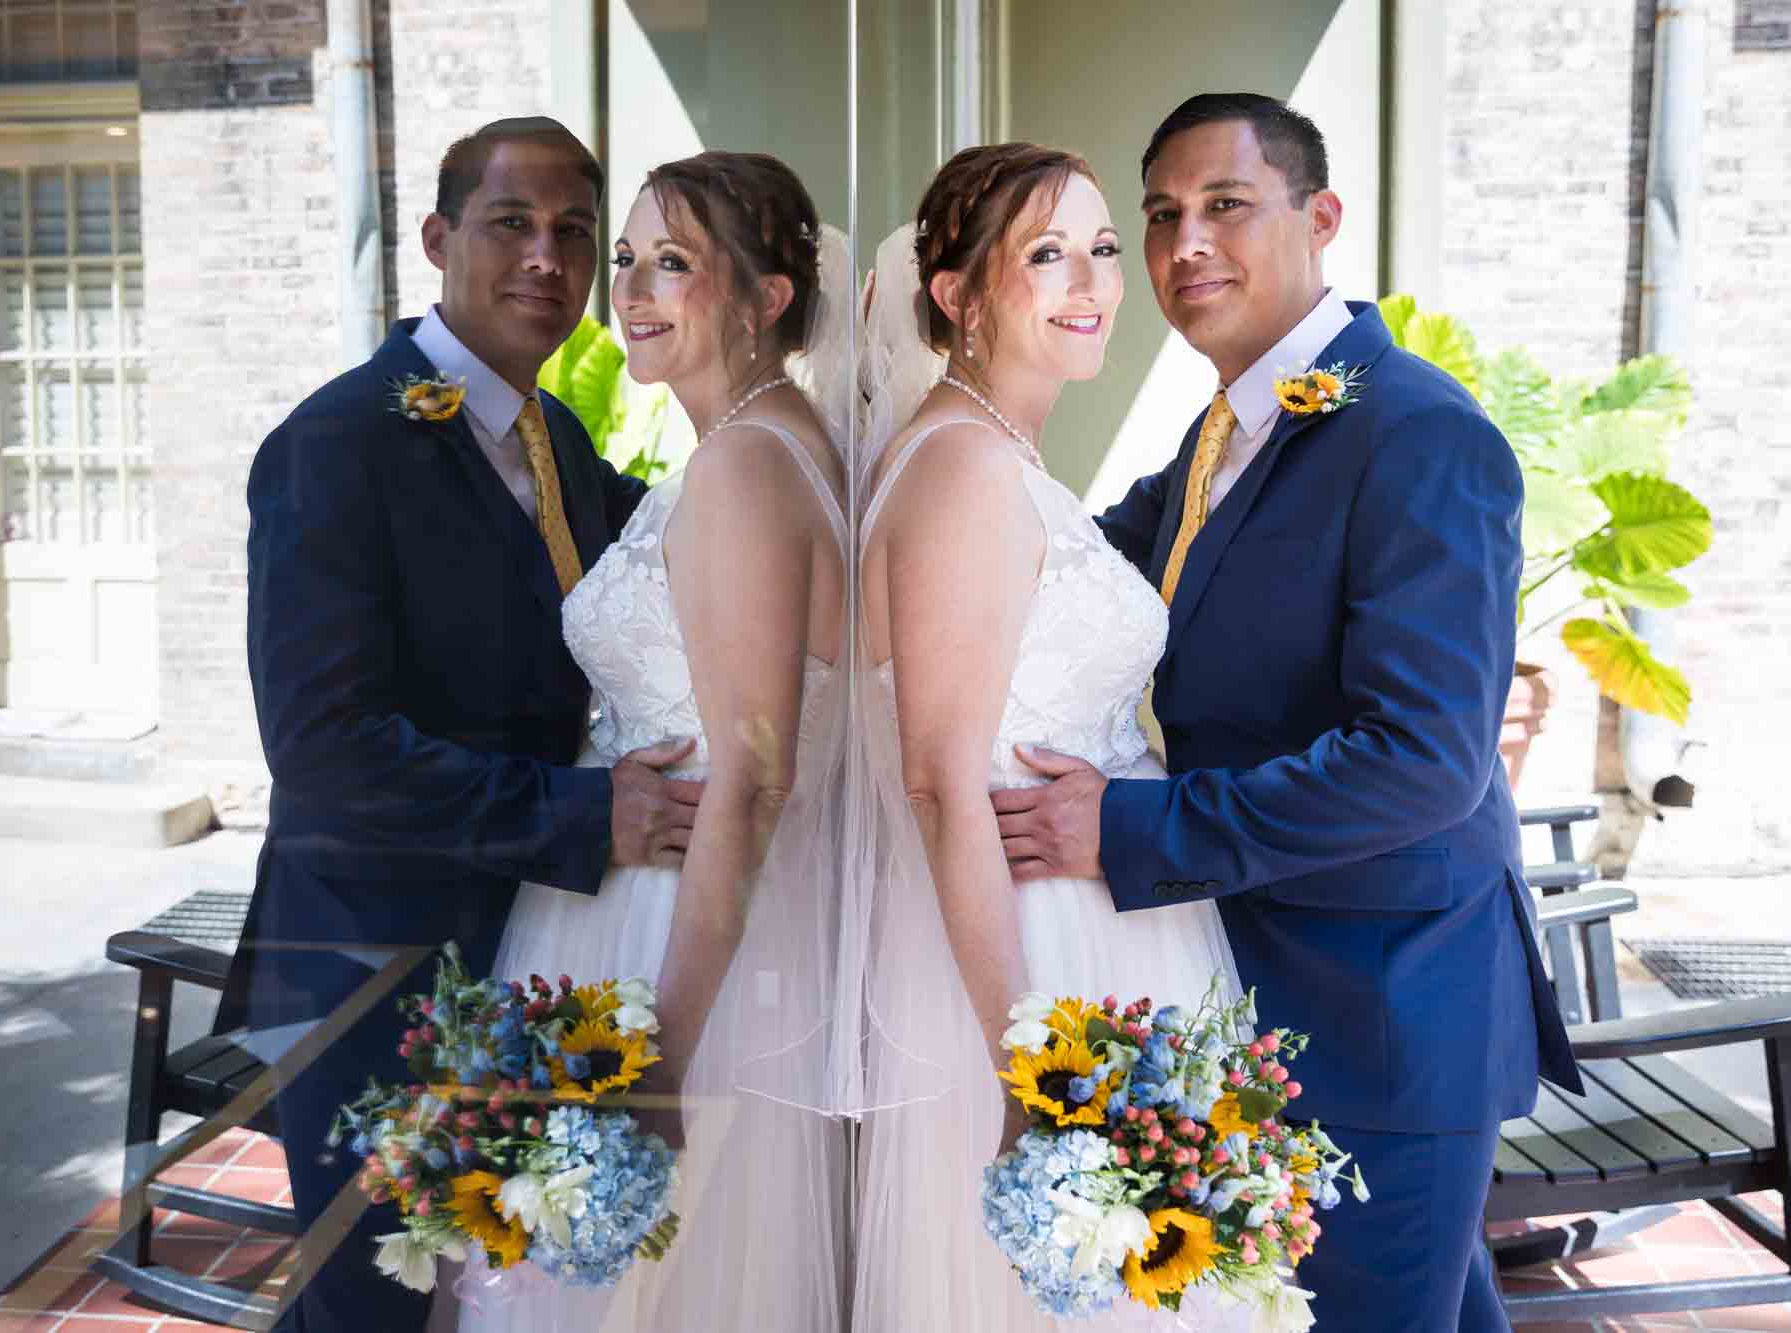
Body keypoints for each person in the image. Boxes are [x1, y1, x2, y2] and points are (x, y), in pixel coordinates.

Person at [992, 93, 1582, 1332]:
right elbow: (1072, 575)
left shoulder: (1419, 435)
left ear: (1318, 219)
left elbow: (1422, 762)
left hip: (1385, 1015)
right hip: (1271, 995)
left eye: (1223, 206)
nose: (1181, 245)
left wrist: (1130, 831)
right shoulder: (1228, 427)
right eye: (1158, 217)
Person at [227, 117, 698, 1333]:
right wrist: (592, 813)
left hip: (519, 949)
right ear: (438, 240)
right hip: (365, 968)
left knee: (478, 1297)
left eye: (573, 234)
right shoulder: (333, 447)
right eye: (511, 224)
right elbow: (327, 757)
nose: (547, 257)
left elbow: (683, 554)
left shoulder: (559, 441)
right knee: (370, 1306)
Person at [446, 150, 852, 1333]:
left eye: (672, 262)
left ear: (766, 297)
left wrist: (657, 1059)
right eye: (625, 260)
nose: (628, 289)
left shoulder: (741, 467)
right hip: (649, 920)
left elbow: (756, 773)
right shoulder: (756, 444)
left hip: (667, 942)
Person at [850, 142, 1252, 1332]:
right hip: (1034, 954)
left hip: (1103, 932)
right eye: (1044, 254)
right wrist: (1031, 1066)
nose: (1090, 283)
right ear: (957, 295)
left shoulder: (1003, 452)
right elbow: (935, 781)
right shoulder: (962, 469)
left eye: (1101, 249)